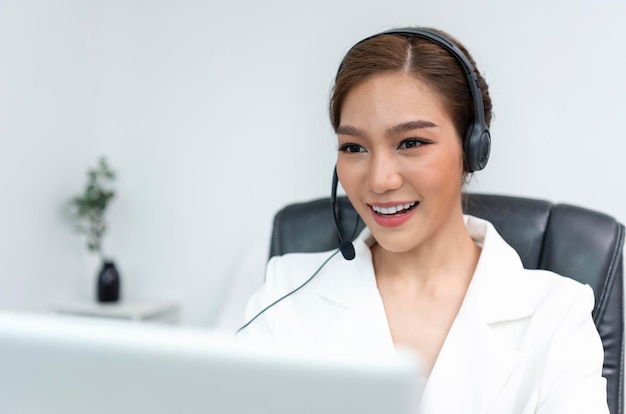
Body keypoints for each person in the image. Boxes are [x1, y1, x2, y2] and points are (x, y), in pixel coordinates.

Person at [238, 27, 609, 413]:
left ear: (472, 148)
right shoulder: (284, 294)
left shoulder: (556, 314)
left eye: (411, 143)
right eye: (354, 147)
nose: (380, 180)